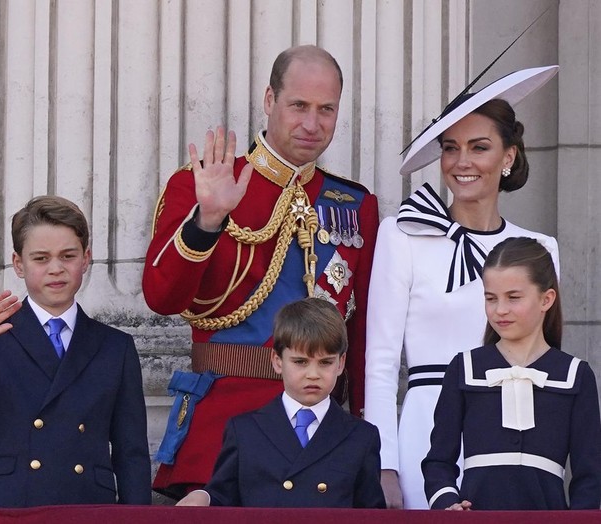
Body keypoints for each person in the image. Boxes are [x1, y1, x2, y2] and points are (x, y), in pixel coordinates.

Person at [143, 45, 379, 498]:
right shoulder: (204, 182)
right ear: (270, 100)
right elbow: (161, 297)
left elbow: (362, 329)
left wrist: (362, 424)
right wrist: (207, 220)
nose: (312, 124)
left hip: (320, 440)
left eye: (326, 109)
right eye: (299, 106)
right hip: (221, 433)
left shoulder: (354, 205)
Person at [363, 66, 561, 509]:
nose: (462, 162)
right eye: (450, 148)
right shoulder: (402, 235)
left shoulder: (539, 250)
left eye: (479, 147)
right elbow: (378, 362)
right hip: (424, 432)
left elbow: (545, 366)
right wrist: (383, 464)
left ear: (508, 157)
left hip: (514, 433)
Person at [0, 195, 151, 507]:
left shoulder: (115, 346)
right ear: (19, 264)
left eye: (68, 256)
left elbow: (131, 450)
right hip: (5, 504)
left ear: (86, 258)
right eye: (41, 258)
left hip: (86, 505)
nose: (56, 269)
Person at [422, 237, 601, 510]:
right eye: (490, 298)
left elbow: (589, 476)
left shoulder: (576, 375)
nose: (500, 310)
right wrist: (448, 503)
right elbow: (438, 461)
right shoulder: (464, 368)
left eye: (513, 298)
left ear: (546, 299)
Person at [176, 298, 385, 508]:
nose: (313, 374)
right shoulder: (245, 431)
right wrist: (205, 497)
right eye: (300, 362)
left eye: (325, 362)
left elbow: (371, 513)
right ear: (277, 361)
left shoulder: (362, 437)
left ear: (340, 364)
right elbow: (223, 497)